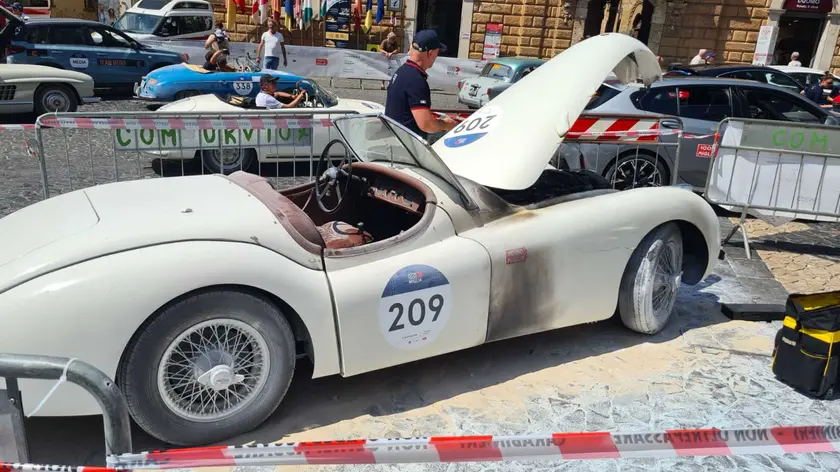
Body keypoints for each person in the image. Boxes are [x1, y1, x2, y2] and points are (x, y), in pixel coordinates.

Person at [384, 29, 456, 140]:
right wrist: (446, 124)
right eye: (437, 52)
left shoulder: (402, 71)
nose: (437, 57)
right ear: (430, 53)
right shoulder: (416, 80)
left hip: (394, 136)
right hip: (408, 143)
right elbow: (426, 124)